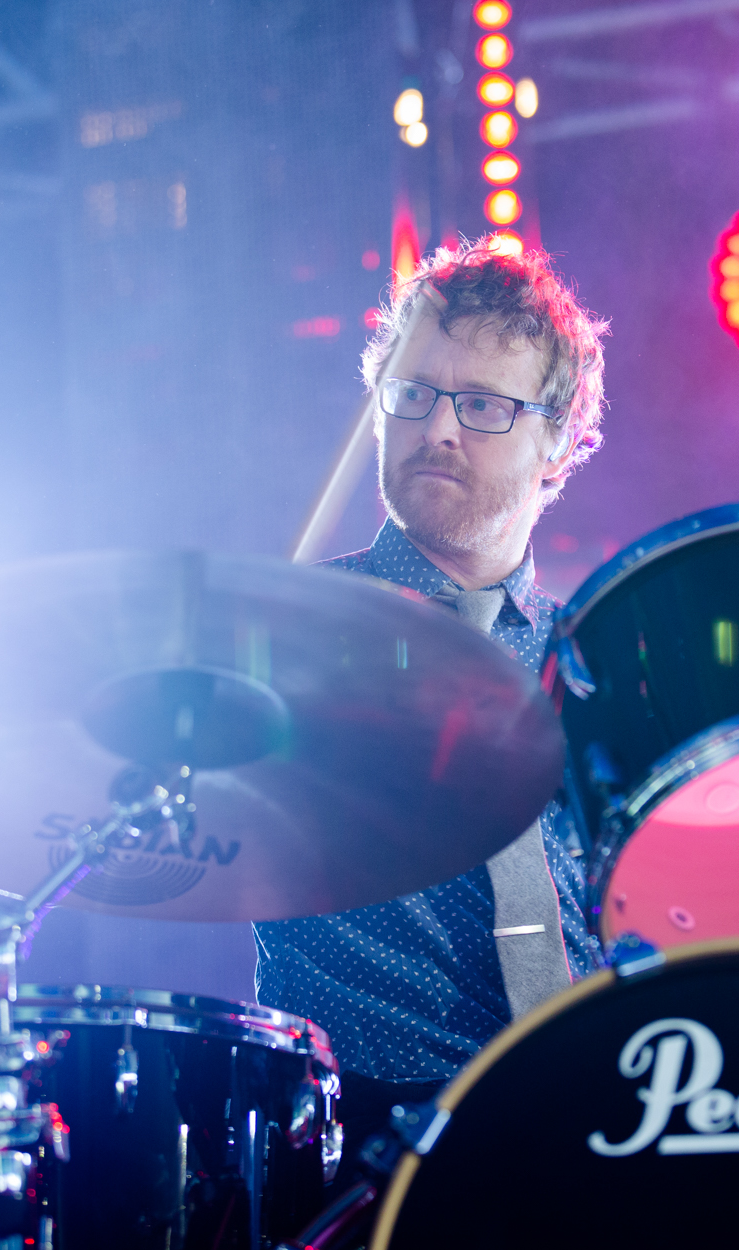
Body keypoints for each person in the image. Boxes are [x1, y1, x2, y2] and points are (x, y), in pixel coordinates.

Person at [253, 237, 610, 1153]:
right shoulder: (281, 629)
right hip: (361, 1136)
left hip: (598, 1116)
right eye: (412, 394)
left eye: (484, 405)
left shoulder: (602, 659)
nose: (437, 429)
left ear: (557, 444)